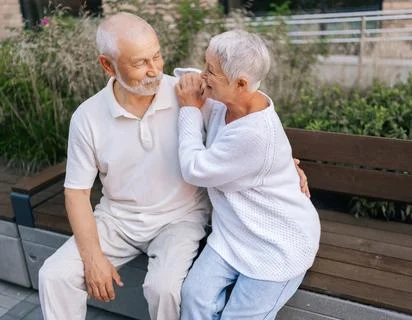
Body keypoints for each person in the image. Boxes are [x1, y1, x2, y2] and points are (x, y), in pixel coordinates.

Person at [38, 13, 309, 320]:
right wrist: (93, 257)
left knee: (164, 289)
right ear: (107, 65)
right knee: (53, 276)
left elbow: (247, 119)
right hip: (117, 220)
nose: (154, 70)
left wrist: (286, 164)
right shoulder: (87, 118)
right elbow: (76, 194)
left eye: (157, 56)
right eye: (140, 63)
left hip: (179, 219)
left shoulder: (189, 94)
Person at [176, 29, 321, 320]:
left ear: (241, 83)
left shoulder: (255, 134)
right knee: (194, 297)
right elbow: (184, 75)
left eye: (210, 71)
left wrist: (190, 111)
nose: (202, 76)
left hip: (277, 244)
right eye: (205, 65)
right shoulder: (231, 98)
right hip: (233, 234)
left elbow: (194, 169)